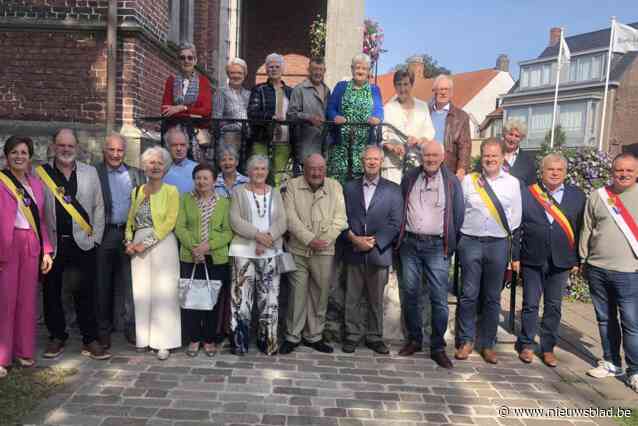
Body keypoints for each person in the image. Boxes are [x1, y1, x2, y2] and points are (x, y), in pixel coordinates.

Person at [38, 128, 109, 360]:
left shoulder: (90, 172)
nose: (66, 149)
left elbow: (99, 207)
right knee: (51, 292)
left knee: (86, 292)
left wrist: (96, 238)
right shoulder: (42, 174)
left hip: (84, 242)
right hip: (54, 243)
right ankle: (57, 336)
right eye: (61, 145)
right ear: (53, 146)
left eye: (70, 145)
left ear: (77, 147)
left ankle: (90, 339)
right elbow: (37, 211)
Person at [396, 141, 464, 367]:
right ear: (421, 156)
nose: (431, 159)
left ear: (443, 157)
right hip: (410, 245)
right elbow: (400, 205)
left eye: (435, 155)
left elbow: (458, 215)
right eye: (427, 155)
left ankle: (437, 347)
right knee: (410, 295)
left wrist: (449, 242)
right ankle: (414, 340)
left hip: (437, 246)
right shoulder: (409, 177)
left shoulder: (452, 181)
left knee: (439, 299)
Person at [455, 138, 521, 364]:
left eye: (494, 155)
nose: (490, 159)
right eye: (486, 155)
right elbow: (459, 210)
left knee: (493, 297)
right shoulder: (469, 181)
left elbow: (516, 218)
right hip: (470, 242)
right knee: (468, 295)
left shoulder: (512, 183)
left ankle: (488, 344)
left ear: (503, 157)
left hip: (497, 244)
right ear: (480, 157)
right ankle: (465, 341)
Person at [515, 153, 585, 367]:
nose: (555, 173)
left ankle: (547, 348)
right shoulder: (527, 193)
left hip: (562, 260)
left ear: (565, 173)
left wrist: (578, 259)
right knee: (530, 304)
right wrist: (515, 257)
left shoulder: (577, 196)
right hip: (532, 257)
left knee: (554, 306)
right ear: (542, 172)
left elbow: (582, 229)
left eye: (559, 170)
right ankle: (526, 344)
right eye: (550, 169)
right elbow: (518, 227)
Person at [580, 153, 638, 393]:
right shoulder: (598, 196)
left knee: (631, 323)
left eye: (629, 171)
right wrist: (583, 258)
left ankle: (634, 371)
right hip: (597, 268)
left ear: (636, 173)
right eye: (619, 170)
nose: (623, 174)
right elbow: (587, 227)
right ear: (612, 171)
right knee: (604, 320)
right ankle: (612, 362)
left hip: (630, 271)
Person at [279, 153, 347, 355]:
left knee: (320, 294)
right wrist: (309, 239)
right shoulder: (292, 185)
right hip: (299, 249)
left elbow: (340, 218)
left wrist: (324, 240)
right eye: (312, 168)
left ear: (325, 169)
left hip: (325, 250)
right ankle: (292, 335)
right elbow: (289, 217)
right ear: (305, 168)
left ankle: (314, 335)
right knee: (296, 295)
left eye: (320, 168)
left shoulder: (335, 186)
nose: (316, 172)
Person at [0, 136, 54, 378]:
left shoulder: (36, 184)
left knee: (27, 301)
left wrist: (47, 250)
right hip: (7, 244)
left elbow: (41, 221)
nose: (19, 156)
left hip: (31, 244)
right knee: (6, 301)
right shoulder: (1, 182)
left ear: (30, 156)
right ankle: (2, 357)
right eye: (14, 152)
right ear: (6, 156)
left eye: (23, 152)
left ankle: (23, 352)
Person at [340, 146, 402, 354]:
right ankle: (351, 335)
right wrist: (354, 239)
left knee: (376, 299)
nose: (372, 162)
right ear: (362, 160)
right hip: (354, 249)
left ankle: (375, 337)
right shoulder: (348, 188)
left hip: (379, 252)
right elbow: (341, 218)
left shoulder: (393, 190)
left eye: (376, 159)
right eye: (368, 159)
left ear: (381, 162)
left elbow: (396, 222)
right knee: (352, 297)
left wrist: (375, 241)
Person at [125, 146, 181, 360]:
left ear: (165, 166)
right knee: (142, 291)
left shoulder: (172, 191)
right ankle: (144, 339)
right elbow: (130, 221)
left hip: (162, 245)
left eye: (159, 162)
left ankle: (164, 342)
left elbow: (168, 223)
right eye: (151, 162)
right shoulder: (137, 191)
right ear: (144, 166)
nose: (155, 166)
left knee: (164, 293)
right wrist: (129, 241)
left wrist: (144, 244)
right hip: (138, 246)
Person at [229, 155, 287, 355]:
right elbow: (234, 220)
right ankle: (240, 342)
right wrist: (257, 236)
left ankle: (268, 342)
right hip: (243, 251)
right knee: (241, 299)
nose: (259, 172)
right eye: (255, 169)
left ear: (268, 172)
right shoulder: (238, 192)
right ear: (248, 171)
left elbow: (282, 221)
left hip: (270, 251)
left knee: (270, 298)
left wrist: (268, 238)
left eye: (263, 169)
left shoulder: (276, 193)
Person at [175, 163, 233, 357]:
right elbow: (180, 227)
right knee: (191, 300)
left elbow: (227, 232)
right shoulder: (185, 199)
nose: (201, 181)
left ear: (214, 180)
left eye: (205, 178)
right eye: (198, 178)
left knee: (212, 301)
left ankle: (209, 340)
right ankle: (193, 339)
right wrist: (195, 248)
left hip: (215, 258)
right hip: (190, 257)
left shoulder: (224, 202)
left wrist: (207, 247)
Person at [95, 133, 146, 348]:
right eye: (111, 150)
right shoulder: (94, 173)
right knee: (102, 284)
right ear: (104, 150)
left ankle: (131, 327)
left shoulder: (136, 174)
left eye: (119, 150)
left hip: (129, 235)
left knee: (131, 283)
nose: (115, 154)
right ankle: (103, 330)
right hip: (105, 233)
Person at [326, 53, 383, 185]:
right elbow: (330, 108)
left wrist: (377, 118)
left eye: (364, 68)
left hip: (363, 146)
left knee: (360, 183)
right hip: (341, 145)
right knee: (337, 181)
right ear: (352, 69)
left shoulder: (374, 89)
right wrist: (335, 116)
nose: (360, 71)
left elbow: (379, 110)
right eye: (357, 68)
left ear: (369, 71)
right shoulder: (341, 86)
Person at [382, 69, 435, 184]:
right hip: (392, 166)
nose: (402, 88)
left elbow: (429, 133)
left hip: (416, 163)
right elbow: (382, 137)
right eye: (399, 84)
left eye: (406, 84)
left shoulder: (423, 106)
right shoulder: (387, 108)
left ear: (411, 85)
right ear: (395, 86)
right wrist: (393, 147)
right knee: (393, 199)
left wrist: (419, 140)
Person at [161, 42, 212, 162]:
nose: (186, 61)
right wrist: (193, 112)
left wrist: (181, 108)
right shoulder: (171, 81)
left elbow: (206, 111)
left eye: (190, 58)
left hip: (198, 131)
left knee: (196, 166)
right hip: (174, 129)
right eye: (182, 58)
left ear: (195, 61)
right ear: (178, 60)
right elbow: (166, 110)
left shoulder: (203, 82)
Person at [247, 53, 293, 187]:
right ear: (266, 70)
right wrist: (270, 117)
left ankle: (276, 203)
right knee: (259, 173)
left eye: (277, 66)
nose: (273, 69)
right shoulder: (259, 89)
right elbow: (252, 113)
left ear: (282, 69)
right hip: (262, 138)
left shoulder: (290, 92)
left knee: (279, 177)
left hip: (284, 139)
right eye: (270, 67)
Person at [287, 57, 331, 171]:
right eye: (314, 69)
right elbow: (291, 115)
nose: (318, 72)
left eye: (320, 69)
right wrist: (308, 118)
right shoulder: (299, 89)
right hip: (306, 145)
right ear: (308, 70)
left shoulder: (327, 90)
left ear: (324, 71)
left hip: (323, 144)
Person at [429, 75, 471, 180]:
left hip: (448, 168)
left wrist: (462, 169)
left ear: (451, 93)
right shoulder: (425, 112)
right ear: (435, 91)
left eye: (446, 89)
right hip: (426, 163)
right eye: (440, 89)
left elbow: (465, 145)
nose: (443, 92)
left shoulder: (461, 116)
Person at [213, 58, 251, 156]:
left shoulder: (249, 94)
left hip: (247, 138)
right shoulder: (221, 92)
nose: (236, 76)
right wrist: (236, 126)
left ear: (244, 75)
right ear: (228, 74)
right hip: (228, 139)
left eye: (239, 73)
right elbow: (216, 119)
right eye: (232, 72)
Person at [502, 119, 536, 187]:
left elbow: (531, 187)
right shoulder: (492, 155)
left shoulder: (528, 161)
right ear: (504, 134)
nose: (512, 139)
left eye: (517, 136)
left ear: (521, 139)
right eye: (510, 134)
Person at [163, 127, 198, 194]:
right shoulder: (159, 169)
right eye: (174, 145)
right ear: (167, 147)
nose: (179, 149)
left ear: (187, 146)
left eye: (182, 145)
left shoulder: (197, 169)